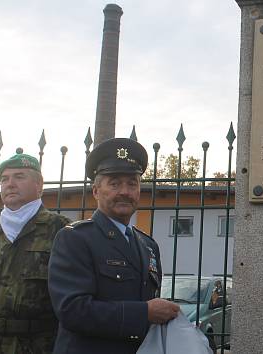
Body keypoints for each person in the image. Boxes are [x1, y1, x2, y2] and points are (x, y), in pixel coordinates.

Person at [47, 137, 179, 354]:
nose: (125, 192)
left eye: (132, 183)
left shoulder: (148, 245)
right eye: (115, 183)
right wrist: (144, 313)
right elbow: (72, 310)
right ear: (96, 191)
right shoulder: (75, 239)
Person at [0, 153, 71, 353]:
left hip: (42, 346)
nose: (10, 184)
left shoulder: (62, 230)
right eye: (4, 179)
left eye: (19, 177)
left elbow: (73, 297)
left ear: (39, 185)